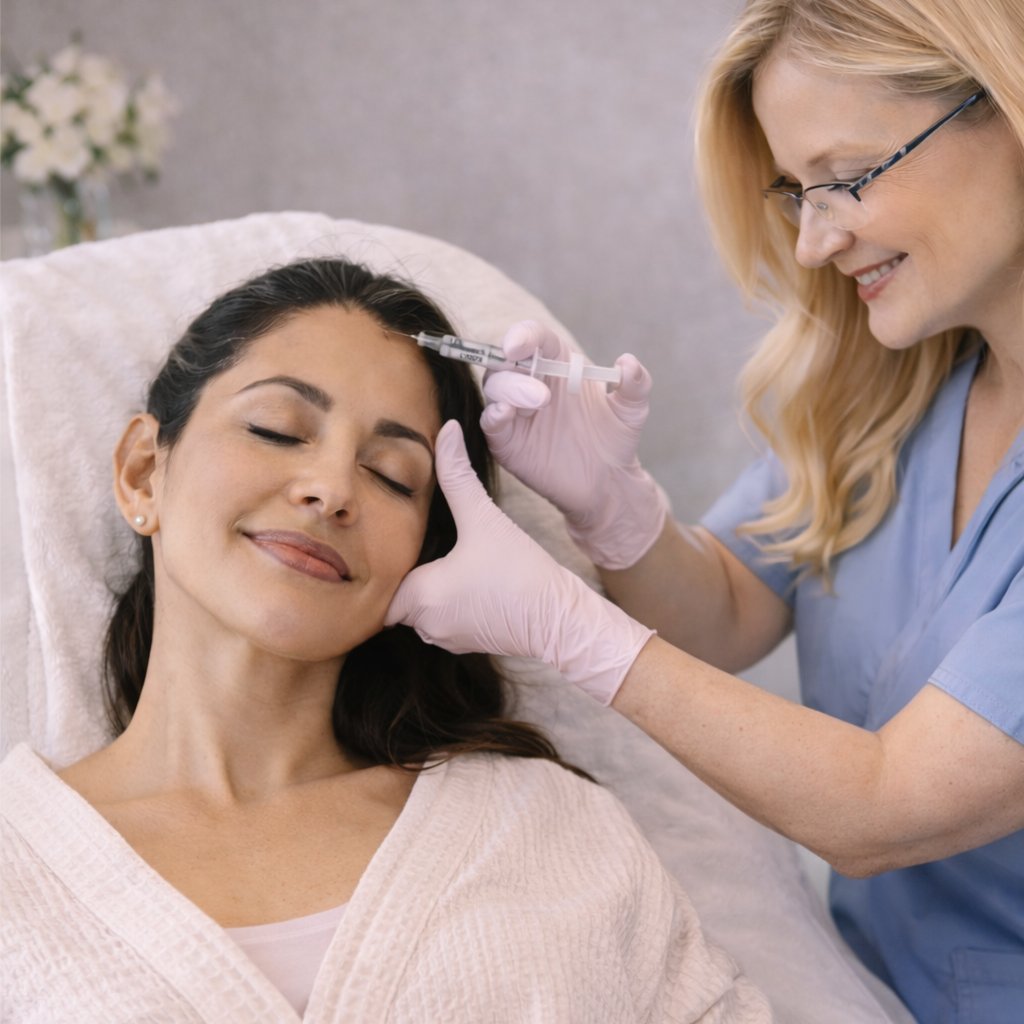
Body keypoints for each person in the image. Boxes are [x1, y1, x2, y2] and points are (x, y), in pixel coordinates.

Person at [384, 2, 1024, 1021]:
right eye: (798, 193)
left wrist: (566, 621)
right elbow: (726, 609)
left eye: (848, 175)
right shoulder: (902, 393)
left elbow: (885, 805)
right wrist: (614, 513)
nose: (815, 241)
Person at [0, 259, 771, 1023]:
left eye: (392, 476)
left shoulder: (549, 831)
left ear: (427, 559)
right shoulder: (16, 863)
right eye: (277, 429)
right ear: (142, 471)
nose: (332, 489)